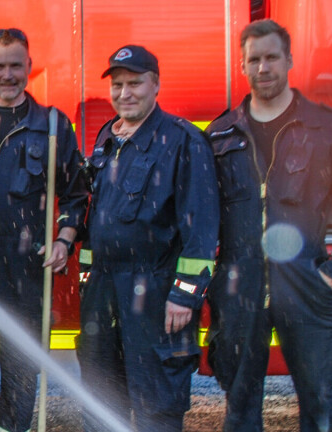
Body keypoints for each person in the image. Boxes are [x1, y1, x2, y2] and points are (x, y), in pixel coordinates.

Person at [205, 19, 332, 432]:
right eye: (254, 59)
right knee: (240, 409)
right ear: (242, 66)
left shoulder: (329, 128)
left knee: (321, 408)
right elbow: (201, 218)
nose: (263, 67)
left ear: (289, 60)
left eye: (271, 57)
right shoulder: (220, 134)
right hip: (239, 289)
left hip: (311, 283)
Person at [0, 28, 90, 432]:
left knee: (20, 370)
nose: (7, 75)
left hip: (25, 266)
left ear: (29, 66)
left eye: (15, 65)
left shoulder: (51, 125)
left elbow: (76, 196)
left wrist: (64, 239)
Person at [76, 45, 219, 431]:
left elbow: (201, 228)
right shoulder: (108, 139)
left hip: (156, 292)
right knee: (102, 400)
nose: (125, 93)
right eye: (118, 85)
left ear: (155, 84)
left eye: (135, 83)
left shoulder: (183, 140)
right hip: (104, 292)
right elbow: (95, 221)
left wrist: (185, 294)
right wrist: (87, 283)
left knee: (157, 406)